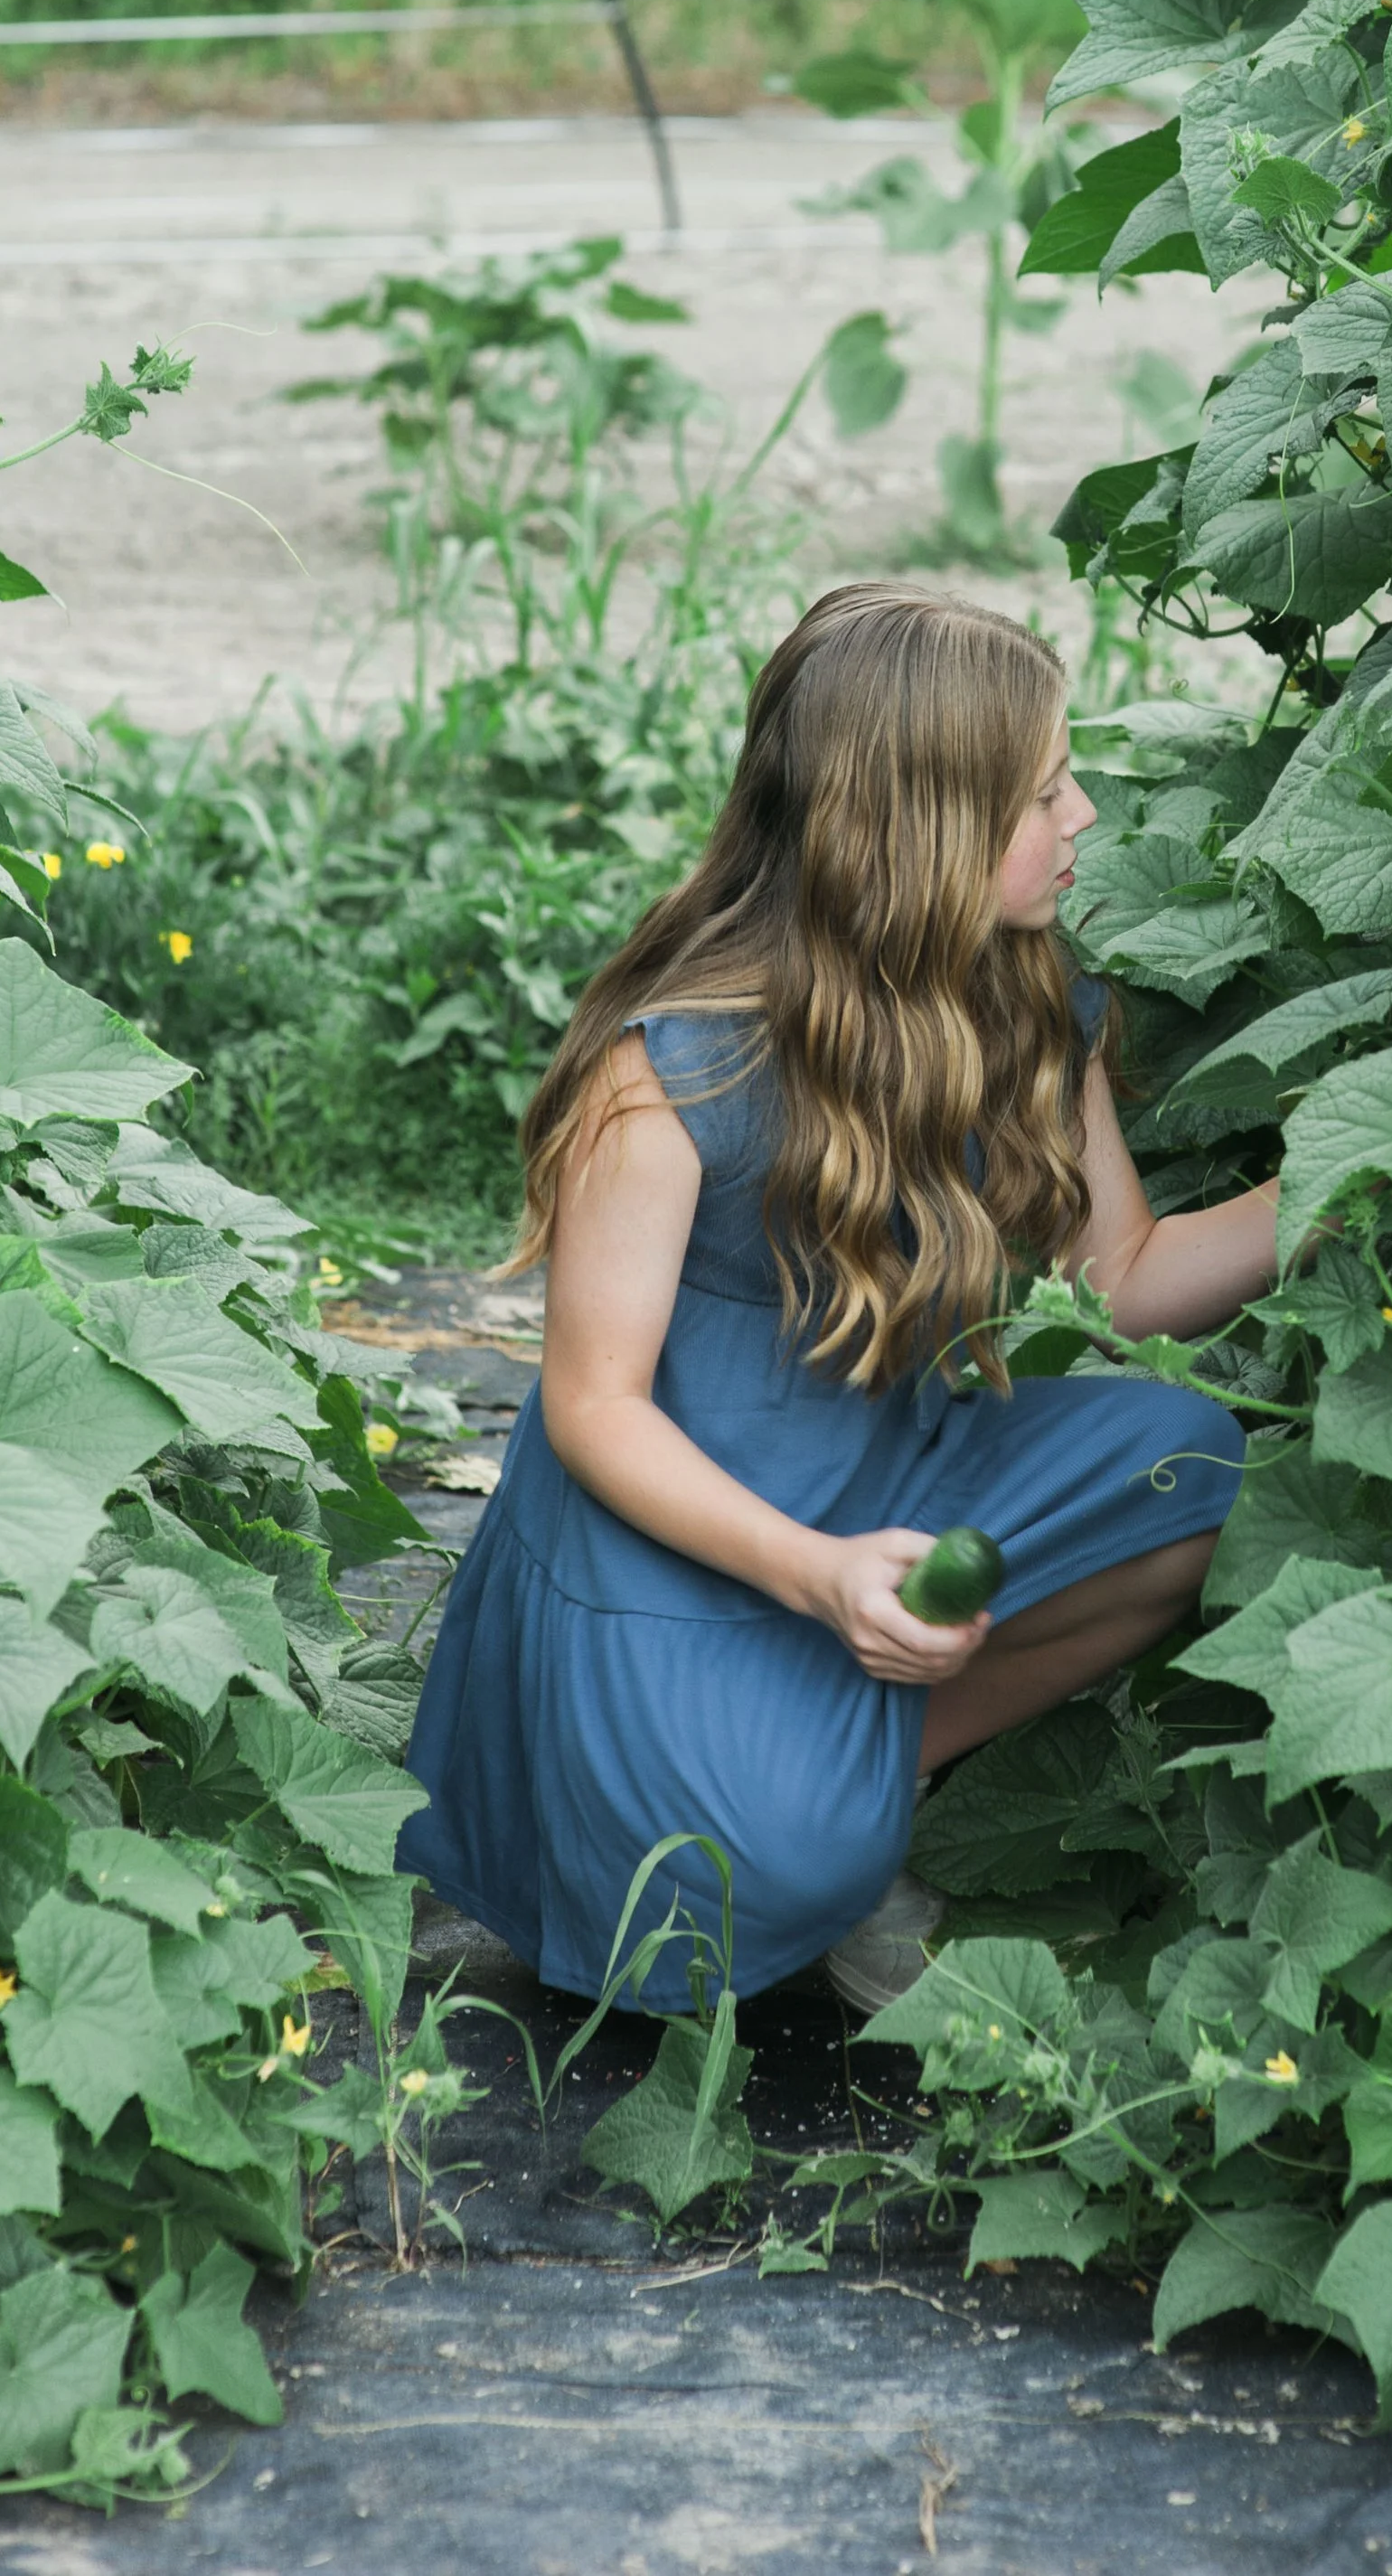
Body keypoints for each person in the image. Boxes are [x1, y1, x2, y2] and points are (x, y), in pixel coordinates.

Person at [396, 582, 1283, 2016]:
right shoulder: (678, 1065)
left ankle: (853, 1758)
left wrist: (1359, 1171)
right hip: (674, 1547)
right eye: (1047, 795)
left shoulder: (1028, 999)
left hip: (887, 1477)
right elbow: (592, 1406)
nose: (1087, 823)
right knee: (742, 1885)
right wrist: (817, 1574)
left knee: (1199, 1474)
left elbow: (1121, 1281)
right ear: (922, 832)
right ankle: (813, 1792)